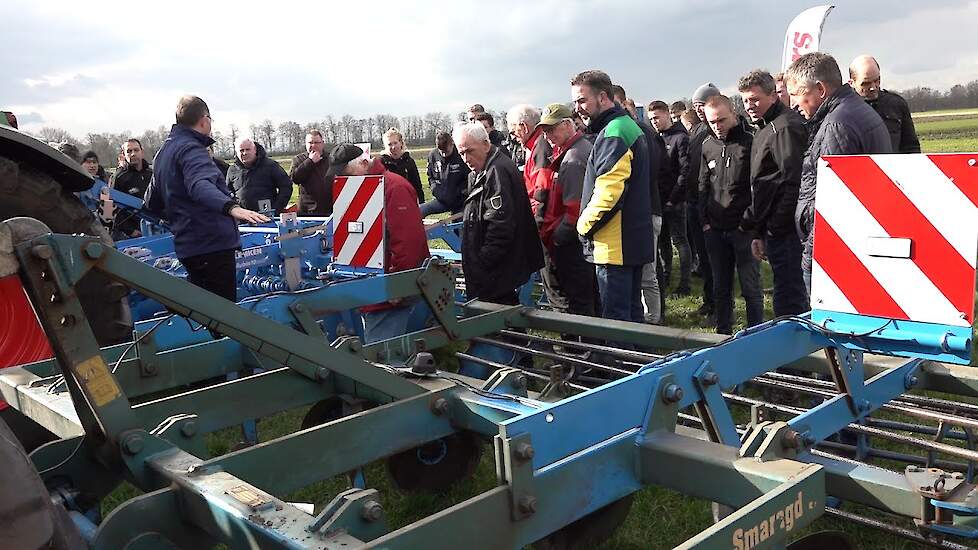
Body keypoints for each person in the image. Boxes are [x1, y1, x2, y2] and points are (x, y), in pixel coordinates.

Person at [785, 52, 892, 292]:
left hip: (833, 253)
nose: (793, 103)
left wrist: (811, 258)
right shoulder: (854, 110)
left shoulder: (837, 124)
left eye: (796, 94)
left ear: (820, 89)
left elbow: (831, 202)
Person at [148, 95, 269, 301]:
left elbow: (151, 201)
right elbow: (199, 185)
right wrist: (231, 207)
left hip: (188, 247)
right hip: (212, 245)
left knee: (206, 310)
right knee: (224, 316)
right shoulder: (192, 149)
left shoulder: (163, 153)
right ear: (204, 120)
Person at [325, 144, 431, 342]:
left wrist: (396, 286)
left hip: (389, 294)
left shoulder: (394, 188)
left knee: (383, 355)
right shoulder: (362, 189)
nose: (344, 180)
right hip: (373, 288)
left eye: (347, 174)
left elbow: (408, 242)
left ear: (364, 163)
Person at [572, 70, 653, 323]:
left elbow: (609, 193)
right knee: (632, 317)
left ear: (603, 97)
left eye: (582, 100)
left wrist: (582, 227)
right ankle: (638, 363)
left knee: (617, 322)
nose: (578, 109)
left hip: (614, 246)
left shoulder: (615, 132)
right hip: (630, 240)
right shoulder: (625, 126)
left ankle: (622, 363)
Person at [738, 69, 808, 317]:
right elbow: (762, 184)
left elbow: (794, 182)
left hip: (787, 230)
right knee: (785, 292)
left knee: (790, 299)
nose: (750, 106)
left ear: (773, 95)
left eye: (755, 99)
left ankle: (797, 353)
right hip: (771, 227)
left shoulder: (785, 127)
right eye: (745, 100)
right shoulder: (763, 128)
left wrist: (776, 227)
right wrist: (759, 231)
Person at [454, 122, 543, 304]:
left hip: (496, 268)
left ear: (486, 144)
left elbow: (500, 224)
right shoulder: (482, 171)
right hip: (495, 267)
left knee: (496, 316)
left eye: (470, 151)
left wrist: (482, 262)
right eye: (461, 153)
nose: (465, 158)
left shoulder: (497, 171)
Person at [699, 95, 762, 335]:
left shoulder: (750, 142)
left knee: (751, 287)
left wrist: (751, 222)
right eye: (712, 122)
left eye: (722, 120)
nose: (717, 126)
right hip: (715, 229)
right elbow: (703, 185)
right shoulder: (707, 145)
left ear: (734, 115)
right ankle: (723, 333)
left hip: (743, 228)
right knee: (721, 286)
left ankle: (758, 334)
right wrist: (704, 222)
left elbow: (757, 185)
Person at [536, 103, 598, 318]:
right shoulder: (570, 151)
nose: (547, 136)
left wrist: (558, 239)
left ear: (567, 125)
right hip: (572, 240)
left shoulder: (573, 158)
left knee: (579, 301)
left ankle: (583, 348)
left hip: (572, 244)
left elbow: (575, 210)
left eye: (551, 130)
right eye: (544, 132)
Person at [612, 85, 664, 323]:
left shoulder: (639, 131)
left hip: (646, 210)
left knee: (647, 271)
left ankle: (653, 319)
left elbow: (652, 171)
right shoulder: (625, 130)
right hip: (635, 213)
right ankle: (645, 318)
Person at [649, 100, 692, 297]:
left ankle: (685, 283)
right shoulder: (656, 138)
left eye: (657, 117)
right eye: (651, 119)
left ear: (667, 114)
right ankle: (665, 276)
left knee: (680, 241)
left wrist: (673, 199)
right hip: (659, 199)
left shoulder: (680, 138)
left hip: (675, 199)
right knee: (663, 242)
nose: (654, 122)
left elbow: (685, 171)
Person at [687, 83, 720, 318]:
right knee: (704, 258)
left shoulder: (718, 129)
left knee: (714, 259)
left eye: (703, 104)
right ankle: (710, 299)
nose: (699, 109)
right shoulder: (698, 130)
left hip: (714, 203)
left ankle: (718, 301)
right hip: (694, 201)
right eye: (697, 105)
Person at [849, 55, 921, 154]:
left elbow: (911, 147)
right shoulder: (844, 111)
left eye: (876, 81)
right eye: (866, 83)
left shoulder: (896, 105)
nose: (873, 87)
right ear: (851, 83)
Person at [226, 137, 293, 214]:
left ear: (255, 150)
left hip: (267, 216)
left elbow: (286, 186)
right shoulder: (232, 170)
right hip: (243, 218)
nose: (244, 153)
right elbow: (227, 192)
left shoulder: (270, 166)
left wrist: (276, 208)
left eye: (248, 149)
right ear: (236, 153)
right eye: (241, 150)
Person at [421, 131, 470, 216]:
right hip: (441, 199)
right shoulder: (433, 155)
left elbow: (469, 177)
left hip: (460, 201)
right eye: (441, 151)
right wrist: (435, 189)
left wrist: (460, 192)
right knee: (420, 210)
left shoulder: (461, 155)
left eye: (446, 151)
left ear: (452, 144)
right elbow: (430, 176)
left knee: (458, 223)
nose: (443, 154)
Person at [290, 130, 333, 215]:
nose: (313, 145)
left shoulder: (331, 159)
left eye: (317, 142)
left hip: (330, 209)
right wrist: (310, 162)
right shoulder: (299, 159)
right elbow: (295, 178)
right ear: (306, 144)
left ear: (322, 143)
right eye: (310, 143)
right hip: (307, 210)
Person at [380, 127, 424, 203]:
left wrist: (421, 203)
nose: (393, 147)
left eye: (395, 143)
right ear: (385, 146)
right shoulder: (381, 162)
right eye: (389, 144)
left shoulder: (409, 161)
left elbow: (417, 185)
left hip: (406, 200)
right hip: (388, 201)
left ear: (401, 143)